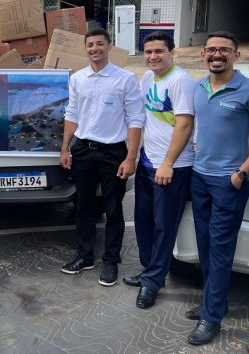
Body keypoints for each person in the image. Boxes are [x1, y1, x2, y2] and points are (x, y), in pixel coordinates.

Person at [60, 27, 144, 286]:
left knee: (113, 210)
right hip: (83, 150)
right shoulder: (78, 79)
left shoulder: (125, 79)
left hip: (113, 152)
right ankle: (85, 256)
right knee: (84, 207)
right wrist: (65, 147)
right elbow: (72, 113)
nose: (94, 49)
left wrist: (130, 157)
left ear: (109, 46)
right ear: (85, 48)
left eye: (99, 44)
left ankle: (110, 262)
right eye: (90, 45)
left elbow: (135, 119)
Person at [185, 31, 249, 346]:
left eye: (224, 49)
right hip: (200, 177)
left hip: (229, 182)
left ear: (236, 55)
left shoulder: (246, 90)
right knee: (205, 245)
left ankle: (211, 318)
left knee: (221, 250)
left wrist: (241, 173)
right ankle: (215, 302)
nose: (217, 55)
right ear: (203, 55)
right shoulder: (198, 87)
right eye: (211, 49)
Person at [122, 31, 194, 309]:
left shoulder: (180, 81)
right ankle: (149, 270)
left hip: (172, 166)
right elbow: (143, 117)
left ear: (171, 53)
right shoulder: (149, 78)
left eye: (159, 51)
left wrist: (168, 163)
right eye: (149, 52)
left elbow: (184, 125)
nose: (153, 57)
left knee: (164, 226)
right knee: (143, 220)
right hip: (148, 161)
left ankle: (152, 283)